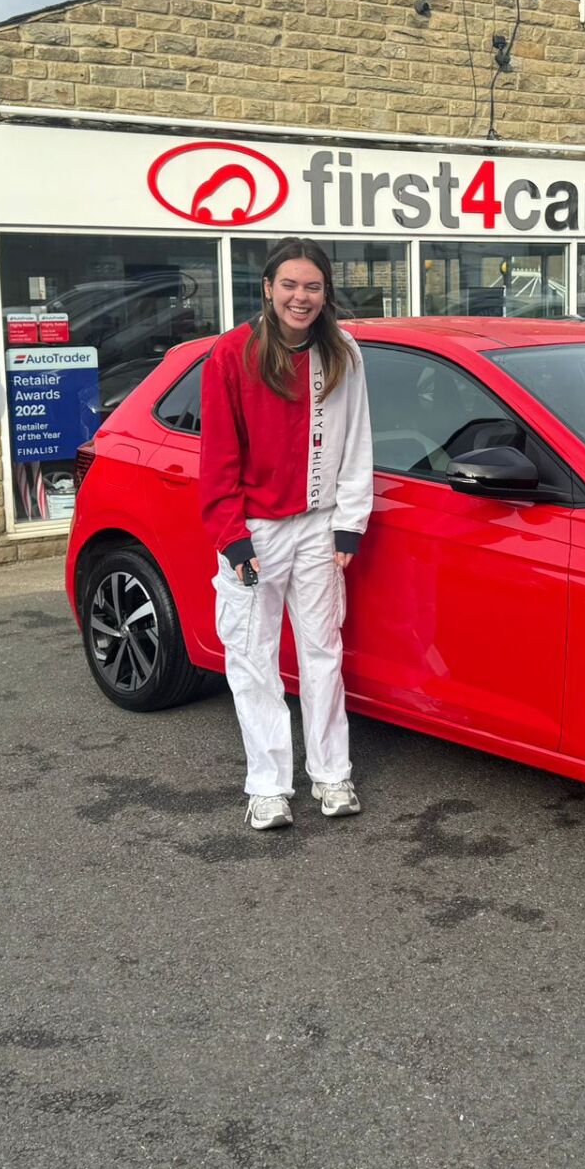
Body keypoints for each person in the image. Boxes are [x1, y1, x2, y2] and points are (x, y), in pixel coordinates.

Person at [199, 238, 373, 831]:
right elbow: (218, 458)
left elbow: (356, 441)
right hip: (255, 530)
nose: (302, 297)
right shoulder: (232, 354)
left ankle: (332, 774)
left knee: (324, 653)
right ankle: (269, 785)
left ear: (326, 294)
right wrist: (231, 536)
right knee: (252, 659)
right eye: (291, 285)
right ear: (269, 288)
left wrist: (350, 524)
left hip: (320, 526)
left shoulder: (342, 350)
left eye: (314, 287)